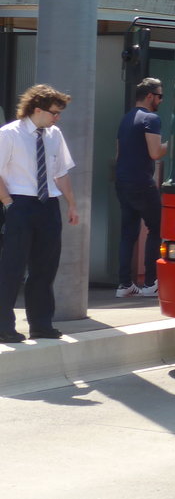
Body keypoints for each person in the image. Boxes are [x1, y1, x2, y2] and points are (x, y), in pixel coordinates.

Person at [0, 84, 78, 343]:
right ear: (37, 109)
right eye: (54, 112)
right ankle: (4, 327)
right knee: (12, 268)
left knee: (45, 268)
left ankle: (41, 325)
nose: (57, 118)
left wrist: (71, 204)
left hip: (48, 204)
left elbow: (60, 172)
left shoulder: (54, 134)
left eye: (59, 113)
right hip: (20, 203)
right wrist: (9, 202)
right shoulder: (10, 133)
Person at [114, 78, 169, 298]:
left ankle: (124, 284)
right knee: (157, 229)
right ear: (150, 96)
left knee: (128, 234)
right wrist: (174, 143)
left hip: (122, 181)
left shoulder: (125, 119)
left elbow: (118, 154)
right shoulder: (151, 118)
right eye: (160, 96)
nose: (161, 100)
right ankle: (150, 283)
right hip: (142, 182)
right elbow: (155, 153)